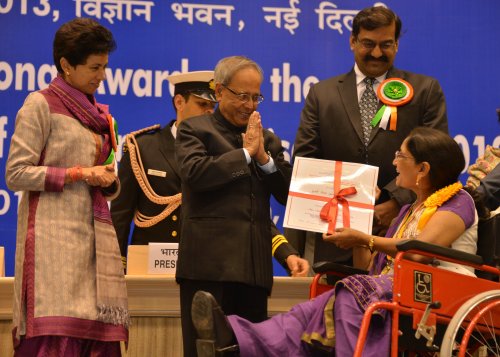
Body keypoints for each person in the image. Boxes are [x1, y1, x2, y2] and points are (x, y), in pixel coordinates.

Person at [190, 127, 488, 357]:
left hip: (437, 290)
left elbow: (419, 253)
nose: (394, 162)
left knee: (349, 295)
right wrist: (356, 232)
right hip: (394, 287)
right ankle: (234, 339)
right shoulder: (409, 210)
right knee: (308, 311)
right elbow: (369, 267)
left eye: (401, 156)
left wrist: (365, 238)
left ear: (422, 169)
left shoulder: (458, 201)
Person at [285, 5, 449, 269]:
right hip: (333, 233)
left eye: (386, 45)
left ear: (396, 44)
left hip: (401, 231)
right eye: (368, 44)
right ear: (352, 42)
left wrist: (396, 201)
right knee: (331, 306)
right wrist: (349, 209)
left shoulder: (425, 91)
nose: (376, 53)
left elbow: (437, 158)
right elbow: (306, 159)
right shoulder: (322, 94)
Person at [5, 18, 128, 356]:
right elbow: (15, 173)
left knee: (98, 338)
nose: (102, 75)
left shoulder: (100, 115)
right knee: (57, 339)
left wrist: (107, 179)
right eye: (94, 67)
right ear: (66, 65)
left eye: (104, 66)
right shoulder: (40, 104)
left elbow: (102, 175)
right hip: (53, 248)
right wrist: (77, 174)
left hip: (94, 246)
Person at [175, 55, 310, 357]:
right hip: (208, 269)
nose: (249, 105)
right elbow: (195, 175)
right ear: (220, 91)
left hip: (253, 272)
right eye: (241, 96)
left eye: (255, 97)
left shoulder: (268, 141)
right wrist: (245, 155)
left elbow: (288, 195)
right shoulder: (194, 130)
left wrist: (263, 158)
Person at [110, 71, 217, 266]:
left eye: (212, 106)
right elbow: (120, 215)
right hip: (149, 266)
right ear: (179, 102)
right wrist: (117, 266)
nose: (209, 111)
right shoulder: (142, 147)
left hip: (201, 264)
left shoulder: (220, 152)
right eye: (202, 104)